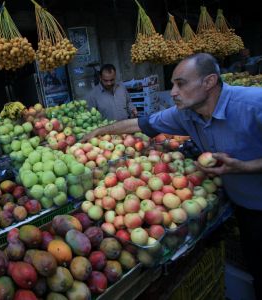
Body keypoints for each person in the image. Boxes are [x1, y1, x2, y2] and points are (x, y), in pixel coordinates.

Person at [82, 53, 262, 299]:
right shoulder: (186, 115)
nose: (173, 91)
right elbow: (139, 124)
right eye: (173, 84)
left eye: (181, 83)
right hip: (242, 205)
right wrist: (98, 132)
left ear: (209, 82)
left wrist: (244, 167)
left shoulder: (254, 104)